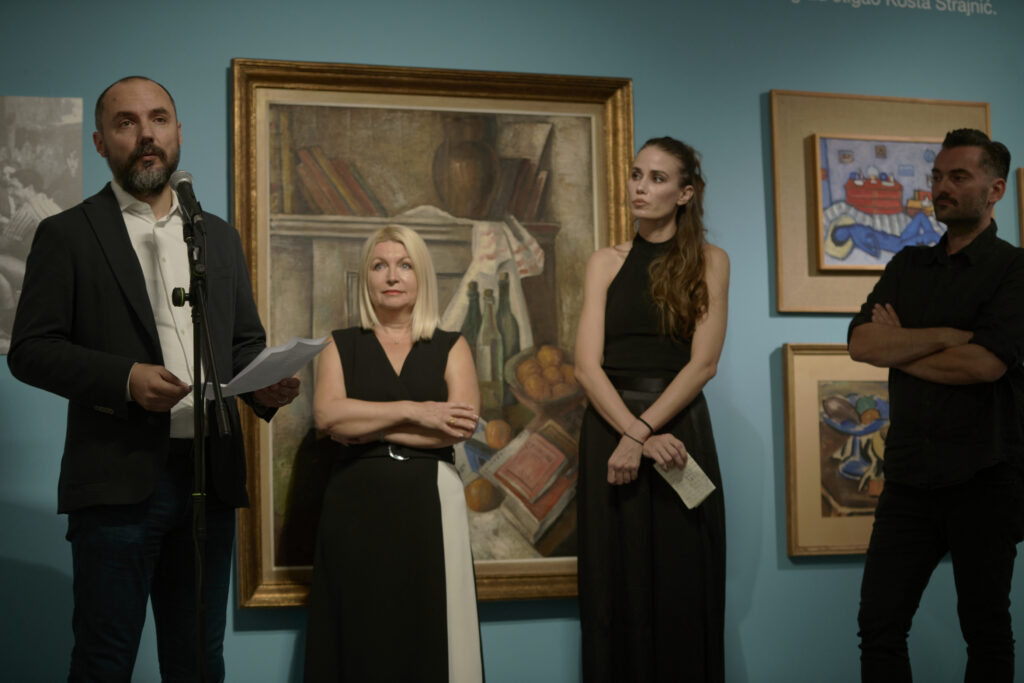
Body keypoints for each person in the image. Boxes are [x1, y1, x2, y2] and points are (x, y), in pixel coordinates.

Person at [7, 76, 300, 682]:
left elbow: (243, 343)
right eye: (126, 122)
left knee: (199, 662)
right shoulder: (67, 234)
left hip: (209, 478)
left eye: (159, 119)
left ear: (178, 133)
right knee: (104, 662)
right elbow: (30, 351)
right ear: (100, 142)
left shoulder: (217, 236)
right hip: (117, 482)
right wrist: (125, 378)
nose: (146, 134)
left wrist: (263, 386)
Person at [848, 129, 1024, 682]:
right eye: (937, 176)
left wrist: (902, 347)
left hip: (986, 476)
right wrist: (950, 335)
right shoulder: (907, 266)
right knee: (878, 627)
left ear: (995, 190)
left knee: (986, 631)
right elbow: (862, 344)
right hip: (908, 477)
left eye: (959, 177)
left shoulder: (1015, 270)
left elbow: (985, 365)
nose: (941, 187)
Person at [574, 136, 729, 682]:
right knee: (612, 586)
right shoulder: (604, 262)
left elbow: (702, 365)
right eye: (637, 174)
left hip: (679, 431)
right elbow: (586, 367)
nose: (640, 187)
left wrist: (640, 433)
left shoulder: (710, 261)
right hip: (610, 431)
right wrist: (633, 435)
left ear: (685, 193)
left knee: (684, 584)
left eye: (657, 178)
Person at [304, 224, 484, 682]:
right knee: (361, 633)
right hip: (354, 504)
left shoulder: (452, 345)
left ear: (421, 275)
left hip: (431, 503)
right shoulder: (338, 343)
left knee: (431, 631)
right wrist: (415, 411)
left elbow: (459, 427)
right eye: (379, 266)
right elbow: (328, 416)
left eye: (404, 265)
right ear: (366, 277)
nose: (391, 276)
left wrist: (370, 426)